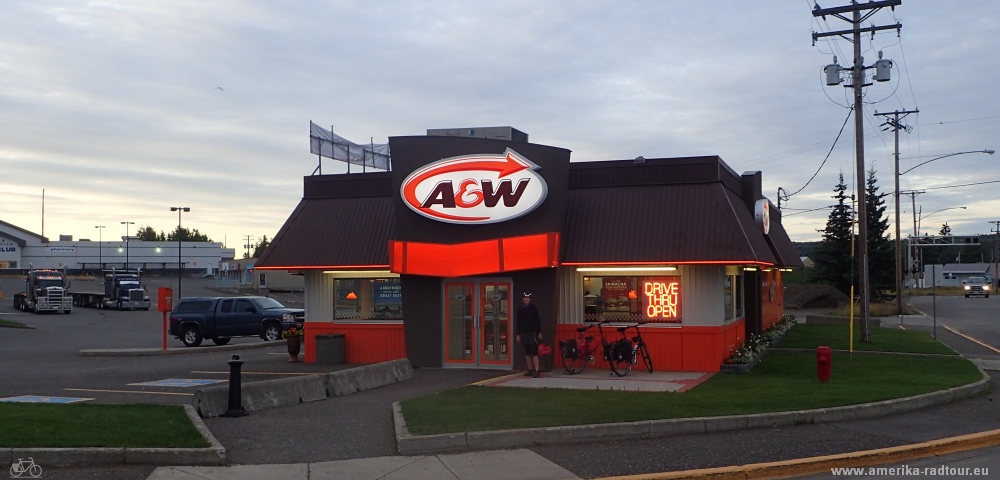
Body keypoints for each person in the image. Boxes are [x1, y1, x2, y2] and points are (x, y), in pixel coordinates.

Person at [516, 292, 542, 378]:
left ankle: (537, 370)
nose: (526, 299)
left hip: (533, 333)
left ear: (530, 299)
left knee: (534, 352)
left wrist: (539, 332)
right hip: (524, 333)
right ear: (523, 299)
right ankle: (530, 370)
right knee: (527, 353)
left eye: (528, 298)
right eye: (525, 298)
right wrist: (518, 334)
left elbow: (538, 320)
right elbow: (518, 323)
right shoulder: (520, 310)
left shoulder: (534, 308)